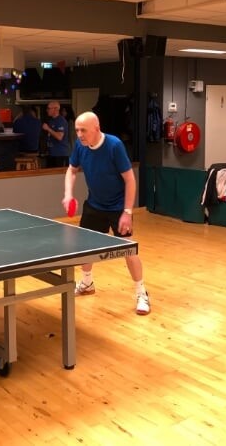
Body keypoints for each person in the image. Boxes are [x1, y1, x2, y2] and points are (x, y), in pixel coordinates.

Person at [62, 111, 149, 316]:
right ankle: (87, 282)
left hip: (118, 207)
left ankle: (141, 293)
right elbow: (71, 170)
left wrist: (127, 212)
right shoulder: (80, 146)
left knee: (129, 250)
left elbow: (130, 179)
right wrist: (68, 194)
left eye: (83, 130)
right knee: (86, 248)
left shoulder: (114, 145)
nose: (80, 134)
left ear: (96, 128)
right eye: (77, 130)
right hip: (94, 205)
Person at [42, 101, 69, 167]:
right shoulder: (51, 120)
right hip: (51, 153)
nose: (47, 110)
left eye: (48, 108)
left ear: (55, 109)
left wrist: (48, 129)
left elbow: (59, 137)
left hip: (59, 154)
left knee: (59, 176)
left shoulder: (61, 120)